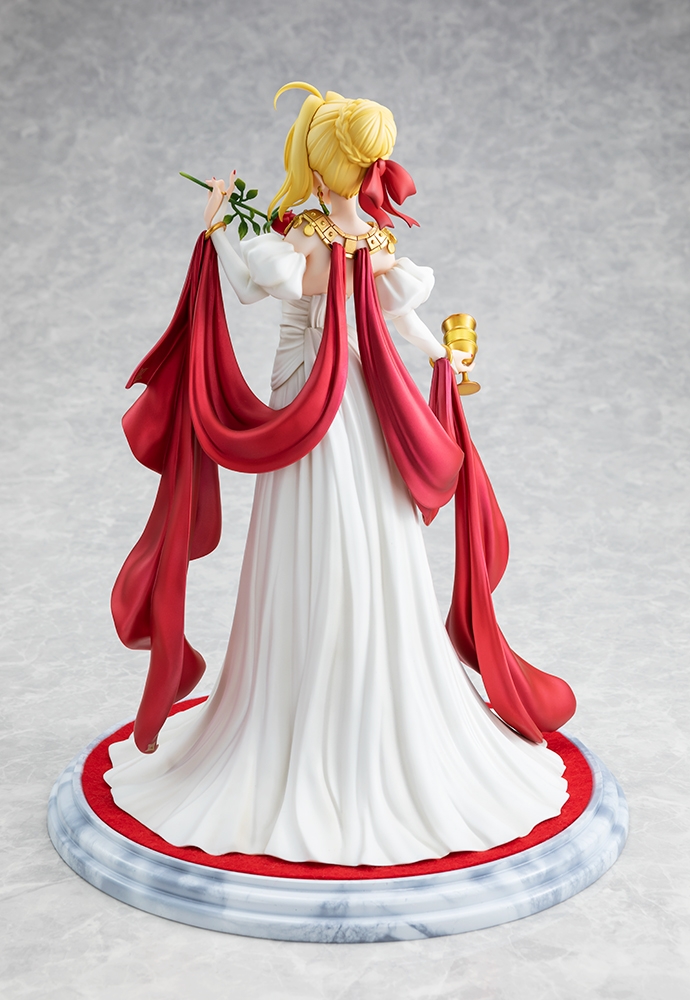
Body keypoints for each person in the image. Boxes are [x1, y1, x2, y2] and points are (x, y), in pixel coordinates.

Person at [104, 84, 570, 867]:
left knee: (322, 541)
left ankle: (309, 721)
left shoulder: (311, 239)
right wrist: (441, 357)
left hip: (318, 404)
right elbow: (392, 311)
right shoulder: (369, 241)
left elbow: (272, 283)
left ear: (320, 171)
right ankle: (356, 710)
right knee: (362, 538)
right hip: (352, 402)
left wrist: (222, 225)